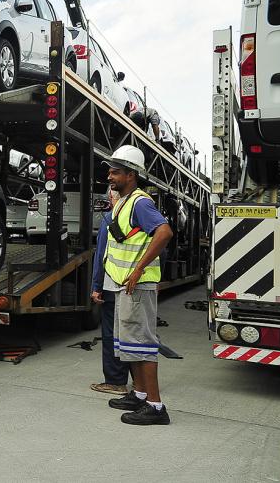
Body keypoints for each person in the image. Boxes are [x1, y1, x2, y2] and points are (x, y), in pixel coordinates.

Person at [102, 145, 173, 426]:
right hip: (124, 284)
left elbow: (164, 232)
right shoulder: (124, 200)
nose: (110, 176)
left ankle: (156, 407)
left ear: (131, 175)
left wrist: (138, 269)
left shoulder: (140, 203)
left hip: (137, 284)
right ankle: (140, 394)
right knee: (128, 343)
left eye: (115, 172)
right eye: (110, 171)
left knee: (142, 344)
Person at [89, 188, 130, 395]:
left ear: (112, 198)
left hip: (112, 286)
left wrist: (96, 286)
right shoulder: (135, 218)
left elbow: (101, 256)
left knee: (112, 335)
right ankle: (139, 383)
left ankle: (115, 381)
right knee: (130, 334)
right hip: (132, 287)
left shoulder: (110, 220)